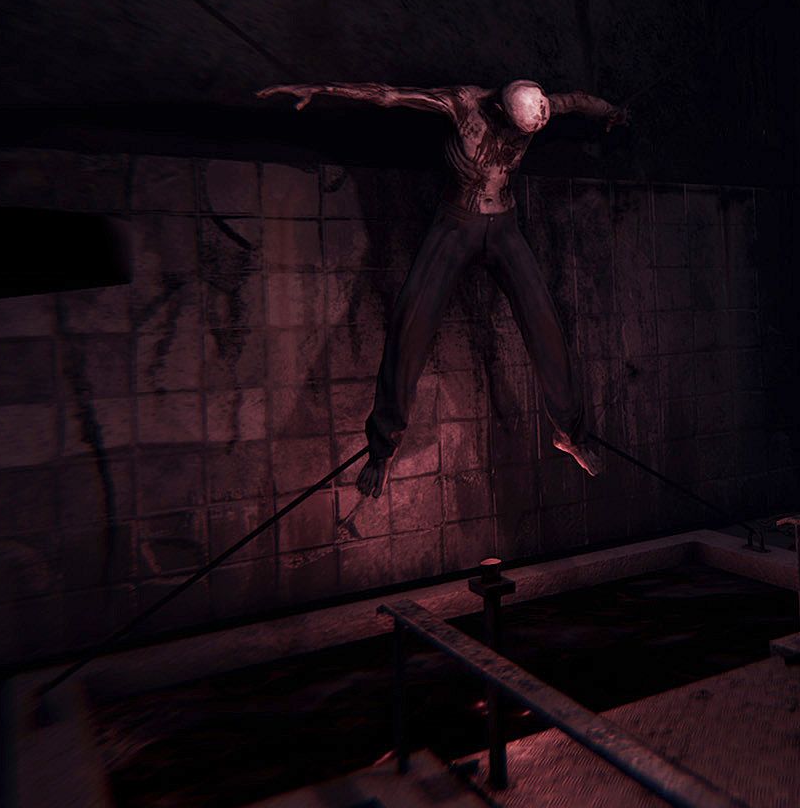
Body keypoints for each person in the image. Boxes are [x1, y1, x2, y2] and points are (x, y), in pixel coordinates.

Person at [257, 78, 626, 496]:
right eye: (513, 127)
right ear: (501, 110)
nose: (516, 137)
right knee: (410, 325)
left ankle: (570, 434)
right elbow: (388, 95)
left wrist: (611, 110)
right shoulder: (464, 104)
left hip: (504, 227)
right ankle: (383, 447)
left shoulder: (537, 109)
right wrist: (318, 89)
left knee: (545, 325)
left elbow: (578, 101)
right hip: (456, 225)